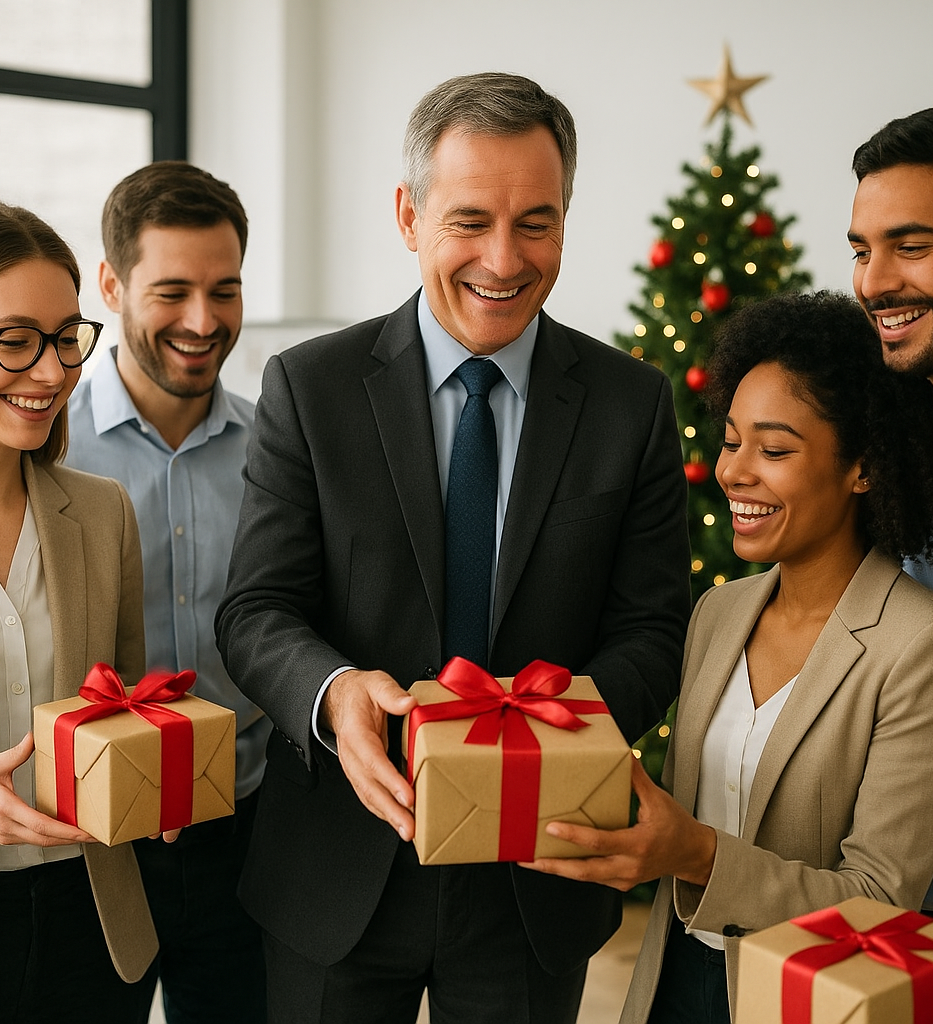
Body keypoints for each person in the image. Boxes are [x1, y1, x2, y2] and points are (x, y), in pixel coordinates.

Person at [215, 71, 691, 1024]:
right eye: (470, 221)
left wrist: (545, 740)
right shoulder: (310, 387)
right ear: (409, 215)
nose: (504, 260)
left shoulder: (630, 404)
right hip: (337, 872)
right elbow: (257, 610)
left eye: (538, 222)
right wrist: (334, 691)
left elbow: (652, 630)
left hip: (537, 874)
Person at [523, 290, 933, 1023]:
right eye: (731, 440)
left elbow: (883, 902)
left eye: (775, 449)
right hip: (672, 982)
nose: (734, 472)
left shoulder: (919, 645)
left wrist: (696, 855)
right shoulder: (718, 613)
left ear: (863, 468)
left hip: (800, 1000)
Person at [0, 199, 158, 1022]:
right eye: (14, 339)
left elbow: (122, 708)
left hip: (94, 926)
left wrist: (154, 778)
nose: (54, 371)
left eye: (67, 338)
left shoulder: (103, 513)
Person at [65, 161, 269, 1023]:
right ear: (111, 283)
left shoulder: (277, 449)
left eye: (224, 290)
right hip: (87, 840)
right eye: (173, 290)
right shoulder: (48, 441)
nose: (202, 320)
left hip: (249, 830)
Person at [849, 104, 933, 922]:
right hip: (891, 909)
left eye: (911, 246)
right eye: (862, 249)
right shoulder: (892, 445)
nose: (875, 280)